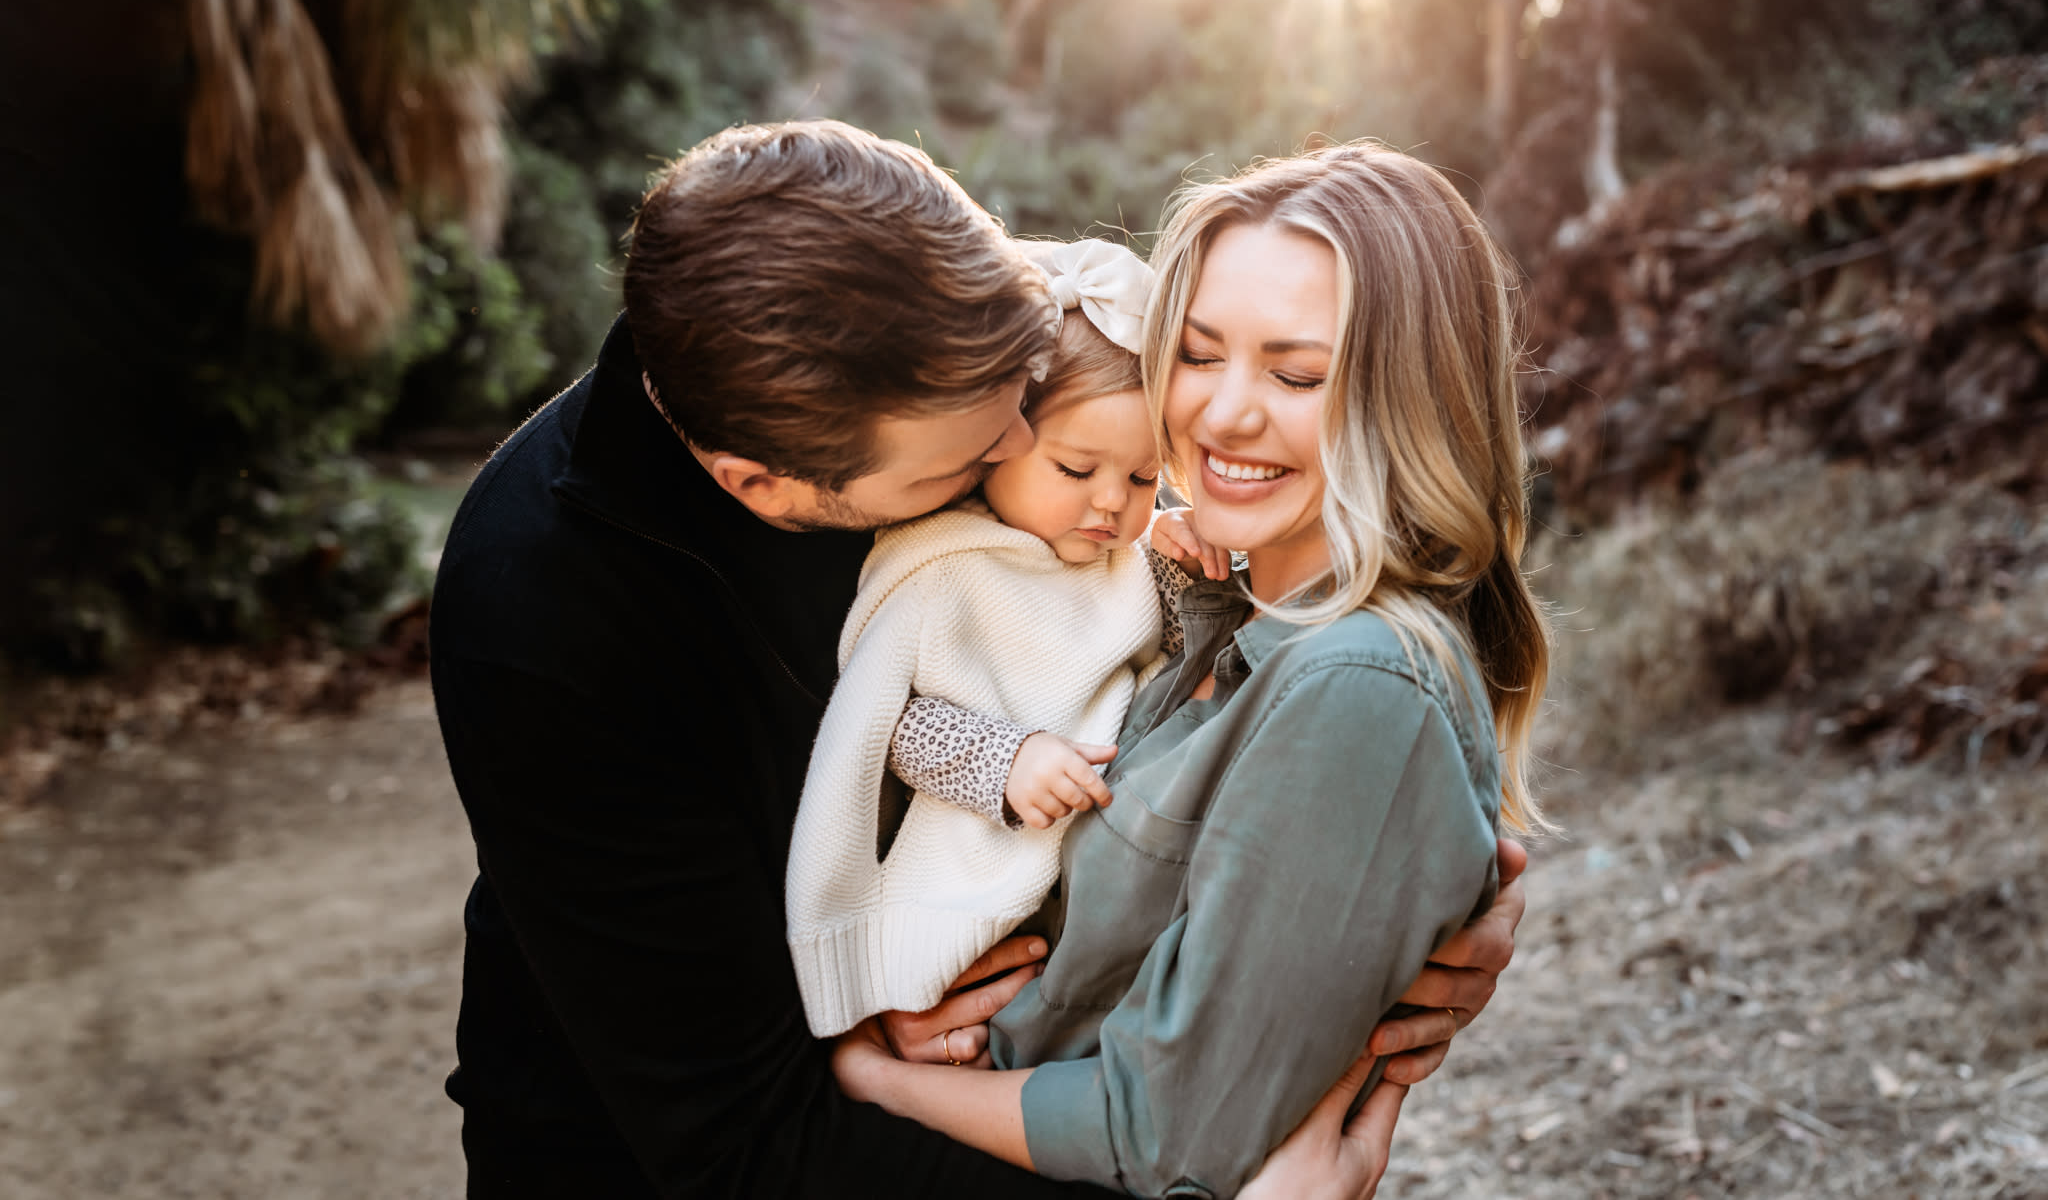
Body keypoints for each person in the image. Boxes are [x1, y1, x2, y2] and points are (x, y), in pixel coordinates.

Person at [431, 119, 1527, 1198]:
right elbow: (738, 1138)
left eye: (1021, 391)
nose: (1018, 449)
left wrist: (1369, 918)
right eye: (969, 457)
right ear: (763, 487)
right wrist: (872, 1006)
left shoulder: (918, 313)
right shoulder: (548, 617)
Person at [829, 141, 1550, 1200]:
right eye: (1198, 353)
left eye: (1296, 373)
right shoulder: (1204, 613)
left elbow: (1165, 1135)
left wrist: (866, 1079)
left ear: (1409, 400)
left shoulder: (1359, 682)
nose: (1221, 415)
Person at [787, 238, 1212, 1036]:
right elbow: (886, 725)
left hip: (1115, 858)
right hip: (980, 865)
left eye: (1143, 477)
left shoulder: (1131, 560)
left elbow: (1188, 656)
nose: (1113, 504)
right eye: (1077, 470)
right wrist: (1004, 759)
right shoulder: (942, 563)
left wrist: (1194, 565)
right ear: (1000, 443)